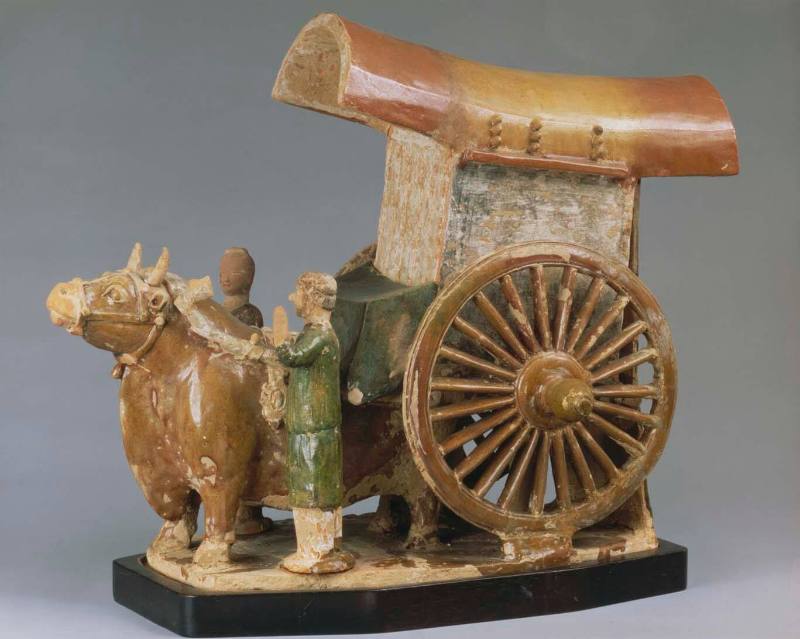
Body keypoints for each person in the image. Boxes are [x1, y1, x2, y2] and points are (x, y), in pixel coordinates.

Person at [276, 272, 354, 574]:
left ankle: (315, 552)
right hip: (313, 426)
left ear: (312, 299)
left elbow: (292, 356)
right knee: (318, 486)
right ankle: (327, 546)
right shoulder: (317, 333)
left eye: (298, 293)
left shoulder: (319, 336)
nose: (293, 298)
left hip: (313, 427)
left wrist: (280, 339)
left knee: (312, 488)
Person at [219, 247, 263, 327]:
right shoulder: (216, 311)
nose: (225, 279)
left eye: (234, 273)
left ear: (249, 277)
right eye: (222, 273)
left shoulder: (250, 313)